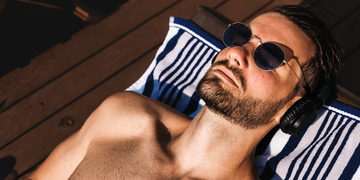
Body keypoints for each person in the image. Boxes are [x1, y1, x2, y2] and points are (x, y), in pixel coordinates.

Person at [29, 5, 341, 180]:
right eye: (242, 36)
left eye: (270, 56)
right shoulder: (122, 118)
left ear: (291, 110)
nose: (237, 53)